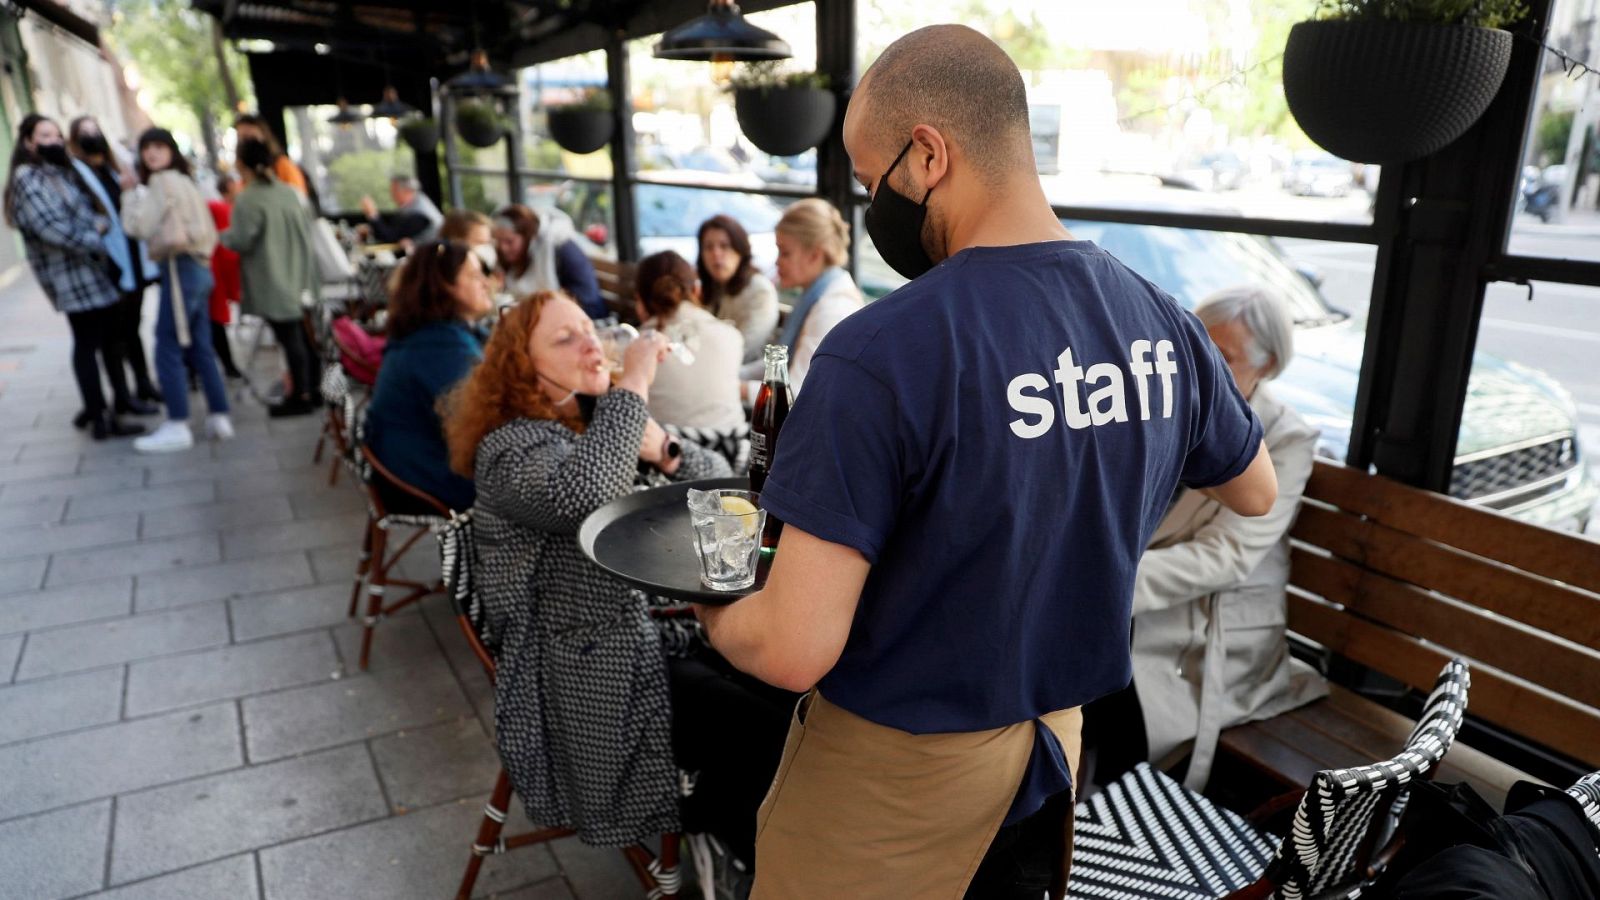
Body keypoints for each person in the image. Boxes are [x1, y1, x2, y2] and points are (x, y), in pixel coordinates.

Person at [691, 25, 1279, 899]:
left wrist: (710, 607)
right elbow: (1256, 489)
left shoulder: (880, 353)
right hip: (1053, 753)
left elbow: (791, 649)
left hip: (893, 781)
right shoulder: (1162, 322)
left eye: (872, 180)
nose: (872, 205)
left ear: (929, 155)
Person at [1083, 286, 1327, 793]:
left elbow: (1227, 555)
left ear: (1268, 364)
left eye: (1224, 358)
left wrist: (1106, 583)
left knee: (1090, 668)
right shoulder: (1165, 402)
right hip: (1143, 599)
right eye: (1195, 349)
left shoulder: (1285, 438)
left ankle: (1103, 808)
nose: (1201, 368)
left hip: (1210, 625)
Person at [3, 114, 145, 440]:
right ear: (28, 142)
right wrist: (96, 236)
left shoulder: (59, 171)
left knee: (109, 340)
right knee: (88, 343)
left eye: (56, 135)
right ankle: (99, 417)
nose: (53, 141)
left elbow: (89, 212)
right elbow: (51, 228)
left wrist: (98, 225)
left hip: (93, 270)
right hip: (71, 275)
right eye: (44, 135)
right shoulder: (28, 178)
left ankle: (113, 404)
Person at [120, 128, 234, 452]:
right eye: (147, 148)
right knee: (201, 345)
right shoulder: (186, 181)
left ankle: (177, 422)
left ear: (171, 150)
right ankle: (219, 415)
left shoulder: (161, 181)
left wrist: (128, 194)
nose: (152, 153)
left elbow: (138, 227)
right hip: (200, 267)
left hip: (179, 267)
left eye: (159, 146)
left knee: (167, 345)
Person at [364, 241, 492, 512]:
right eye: (474, 275)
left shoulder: (430, 331)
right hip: (422, 478)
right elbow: (480, 428)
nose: (486, 282)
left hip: (406, 465)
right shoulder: (441, 349)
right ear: (444, 285)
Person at [222, 138, 323, 417]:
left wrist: (221, 236)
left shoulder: (249, 198)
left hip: (274, 277)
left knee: (291, 338)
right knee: (305, 335)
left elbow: (241, 239)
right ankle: (314, 390)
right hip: (302, 274)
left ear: (241, 164)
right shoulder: (289, 193)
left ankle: (300, 395)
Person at [68, 115, 162, 411]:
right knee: (114, 333)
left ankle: (143, 383)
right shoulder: (77, 174)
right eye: (84, 131)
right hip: (110, 262)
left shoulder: (114, 169)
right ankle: (122, 396)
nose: (91, 135)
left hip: (133, 256)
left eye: (95, 129)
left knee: (133, 325)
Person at [737, 198, 861, 397]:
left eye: (785, 253)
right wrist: (731, 376)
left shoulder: (832, 308)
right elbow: (778, 368)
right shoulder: (817, 294)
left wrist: (731, 387)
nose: (777, 262)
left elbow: (797, 390)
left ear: (815, 255)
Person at [634, 250, 745, 431]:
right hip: (732, 444)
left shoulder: (635, 348)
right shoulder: (732, 336)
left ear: (640, 299)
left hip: (666, 445)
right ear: (696, 290)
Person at [492, 203, 604, 318]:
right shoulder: (518, 256)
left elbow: (588, 302)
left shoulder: (560, 247)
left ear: (527, 236)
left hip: (585, 315)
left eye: (509, 241)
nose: (503, 248)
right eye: (498, 241)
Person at [698, 214, 778, 365]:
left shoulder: (760, 290)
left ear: (740, 250)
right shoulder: (709, 289)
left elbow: (745, 348)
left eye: (724, 246)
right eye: (708, 247)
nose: (716, 254)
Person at [205, 172, 245, 380]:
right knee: (214, 321)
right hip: (216, 272)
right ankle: (226, 366)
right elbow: (228, 251)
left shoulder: (222, 208)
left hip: (214, 271)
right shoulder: (222, 209)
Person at [232, 115, 308, 198]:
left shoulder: (282, 165)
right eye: (241, 138)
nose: (247, 144)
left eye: (250, 138)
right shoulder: (244, 177)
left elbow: (298, 198)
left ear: (264, 136)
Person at [360, 175, 443, 245]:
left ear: (407, 191)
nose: (392, 195)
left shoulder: (418, 214)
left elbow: (390, 238)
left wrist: (373, 214)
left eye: (395, 191)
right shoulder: (415, 204)